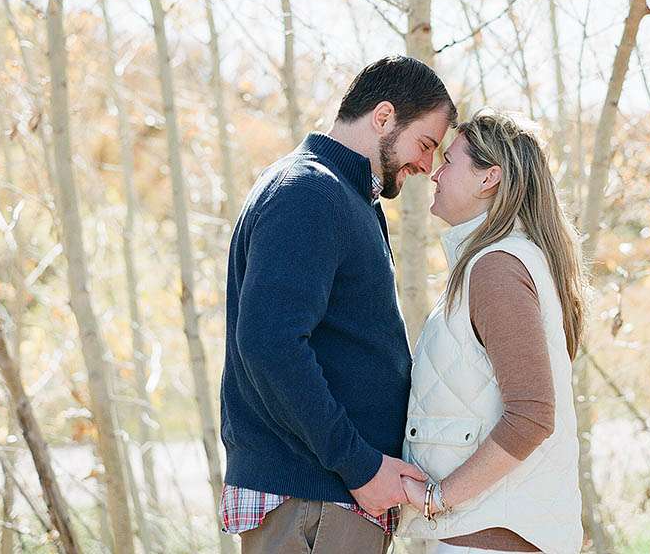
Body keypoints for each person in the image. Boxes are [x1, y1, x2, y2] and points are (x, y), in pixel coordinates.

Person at [219, 56, 457, 553]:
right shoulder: (309, 193)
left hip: (330, 499)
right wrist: (360, 465)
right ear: (384, 116)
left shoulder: (346, 199)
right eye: (426, 144)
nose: (426, 166)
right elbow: (269, 344)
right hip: (315, 499)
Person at [398, 111, 585, 554]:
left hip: (491, 539)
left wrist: (437, 498)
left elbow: (532, 415)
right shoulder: (493, 263)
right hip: (486, 535)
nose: (434, 173)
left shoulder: (496, 268)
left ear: (489, 178)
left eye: (450, 161)